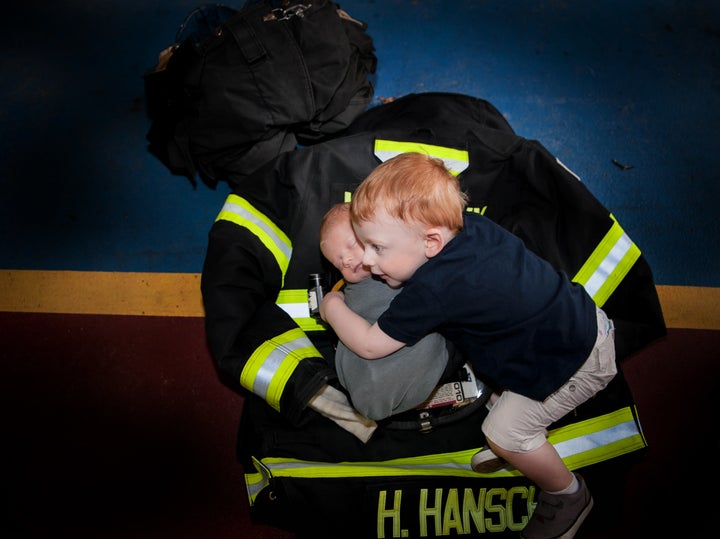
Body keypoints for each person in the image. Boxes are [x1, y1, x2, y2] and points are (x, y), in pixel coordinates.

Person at [319, 152, 618, 539]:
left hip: (577, 361)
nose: (369, 261)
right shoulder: (470, 226)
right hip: (580, 320)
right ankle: (520, 437)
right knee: (495, 382)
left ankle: (567, 495)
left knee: (503, 431)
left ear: (430, 241)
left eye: (377, 248)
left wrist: (331, 306)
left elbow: (370, 345)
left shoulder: (433, 289)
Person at [319, 202, 451, 420]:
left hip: (414, 368)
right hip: (366, 382)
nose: (347, 260)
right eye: (339, 263)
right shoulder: (348, 291)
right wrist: (333, 304)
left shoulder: (399, 261)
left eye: (352, 245)